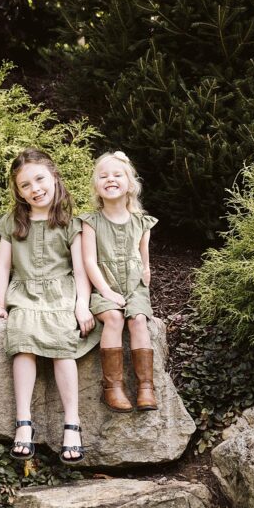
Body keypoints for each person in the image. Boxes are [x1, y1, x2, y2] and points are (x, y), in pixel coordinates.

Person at [0, 148, 99, 464]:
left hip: (61, 295)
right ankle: (23, 422)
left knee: (63, 347)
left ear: (54, 177)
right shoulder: (12, 223)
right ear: (18, 192)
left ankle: (72, 425)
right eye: (25, 185)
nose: (35, 189)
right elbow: (3, 267)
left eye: (40, 179)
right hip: (25, 295)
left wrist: (82, 306)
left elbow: (80, 269)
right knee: (22, 343)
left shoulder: (70, 224)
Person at [79, 151, 158, 412]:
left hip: (134, 285)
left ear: (130, 184)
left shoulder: (141, 221)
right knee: (113, 318)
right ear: (96, 187)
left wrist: (146, 270)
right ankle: (112, 387)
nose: (110, 179)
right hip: (105, 285)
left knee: (137, 320)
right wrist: (105, 291)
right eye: (103, 176)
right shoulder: (91, 222)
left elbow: (142, 251)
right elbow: (89, 260)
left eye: (117, 175)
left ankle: (146, 386)